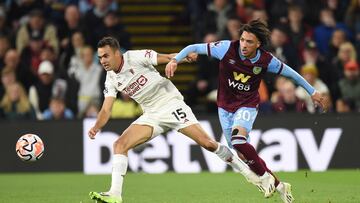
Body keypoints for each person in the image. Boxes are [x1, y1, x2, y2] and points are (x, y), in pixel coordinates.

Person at [166, 19, 330, 203]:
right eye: (243, 39)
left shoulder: (266, 60)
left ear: (258, 44)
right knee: (241, 153)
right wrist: (175, 60)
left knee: (238, 140)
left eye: (249, 42)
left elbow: (292, 74)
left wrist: (313, 92)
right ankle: (280, 186)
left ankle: (266, 179)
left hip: (247, 105)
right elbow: (193, 47)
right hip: (224, 107)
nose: (244, 44)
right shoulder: (226, 48)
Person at [88, 37, 262, 203]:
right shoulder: (110, 78)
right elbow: (106, 108)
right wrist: (96, 127)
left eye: (106, 56)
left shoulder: (135, 57)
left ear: (117, 53)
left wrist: (185, 58)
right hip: (151, 114)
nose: (102, 60)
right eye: (100, 57)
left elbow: (165, 58)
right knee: (120, 145)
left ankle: (247, 172)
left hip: (170, 104)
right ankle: (115, 194)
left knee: (208, 144)